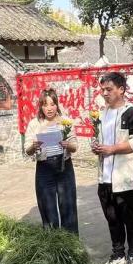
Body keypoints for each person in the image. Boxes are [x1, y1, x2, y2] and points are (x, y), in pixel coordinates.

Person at [91, 71, 133, 264]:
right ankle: (118, 254)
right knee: (112, 218)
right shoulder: (101, 114)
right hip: (104, 177)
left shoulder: (131, 113)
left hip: (124, 177)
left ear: (121, 89)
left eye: (109, 89)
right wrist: (96, 146)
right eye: (103, 90)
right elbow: (99, 138)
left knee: (130, 219)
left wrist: (112, 149)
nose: (105, 93)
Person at [25, 88, 79, 233]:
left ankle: (71, 242)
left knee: (68, 206)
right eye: (45, 105)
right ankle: (52, 242)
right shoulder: (34, 124)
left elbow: (74, 146)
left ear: (57, 105)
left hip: (64, 167)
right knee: (48, 209)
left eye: (52, 104)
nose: (49, 108)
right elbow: (27, 150)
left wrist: (67, 145)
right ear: (41, 107)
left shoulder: (65, 122)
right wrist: (33, 146)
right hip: (44, 168)